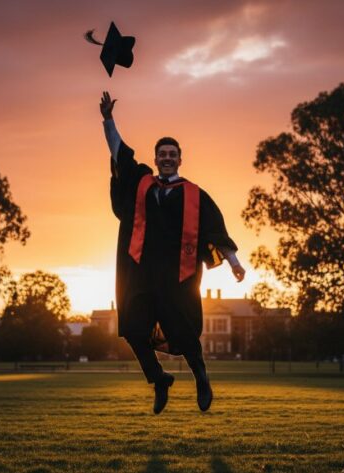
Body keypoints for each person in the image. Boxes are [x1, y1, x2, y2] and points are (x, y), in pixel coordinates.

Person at [100, 91, 245, 414]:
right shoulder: (143, 184)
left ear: (180, 159)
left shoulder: (194, 194)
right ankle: (158, 378)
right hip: (141, 272)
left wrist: (234, 262)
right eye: (162, 154)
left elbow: (215, 229)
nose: (167, 158)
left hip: (178, 276)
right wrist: (108, 120)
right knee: (133, 329)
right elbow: (120, 153)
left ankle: (201, 376)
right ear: (156, 159)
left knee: (183, 332)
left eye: (172, 154)